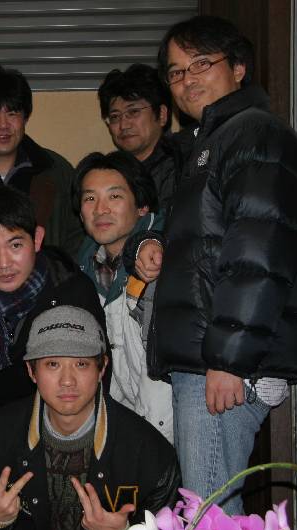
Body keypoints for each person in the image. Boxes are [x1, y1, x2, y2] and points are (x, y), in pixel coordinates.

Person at [127, 15, 297, 513]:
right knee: (209, 510)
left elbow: (258, 255)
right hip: (207, 358)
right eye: (175, 71)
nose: (186, 79)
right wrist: (150, 247)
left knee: (209, 514)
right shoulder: (209, 143)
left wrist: (228, 359)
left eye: (200, 63)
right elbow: (208, 244)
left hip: (222, 363)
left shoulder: (254, 135)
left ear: (238, 68)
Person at [0, 305, 180, 530]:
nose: (67, 380)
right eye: (53, 364)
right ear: (31, 371)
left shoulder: (147, 451)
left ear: (102, 368)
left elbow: (175, 524)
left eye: (81, 364)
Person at [0, 186, 105, 430]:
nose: (4, 263)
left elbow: (98, 365)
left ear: (37, 239)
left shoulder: (71, 289)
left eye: (15, 246)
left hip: (47, 416)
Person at [74, 151, 173, 442]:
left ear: (142, 206)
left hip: (178, 426)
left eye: (114, 196)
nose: (100, 209)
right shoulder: (82, 272)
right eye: (90, 198)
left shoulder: (166, 257)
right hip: (125, 431)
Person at [0, 65, 83, 257]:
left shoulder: (57, 170)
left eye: (12, 113)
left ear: (25, 118)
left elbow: (77, 239)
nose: (3, 125)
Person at [98, 64, 186, 212]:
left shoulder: (182, 164)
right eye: (115, 117)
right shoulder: (111, 172)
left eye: (133, 112)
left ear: (162, 114)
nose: (123, 125)